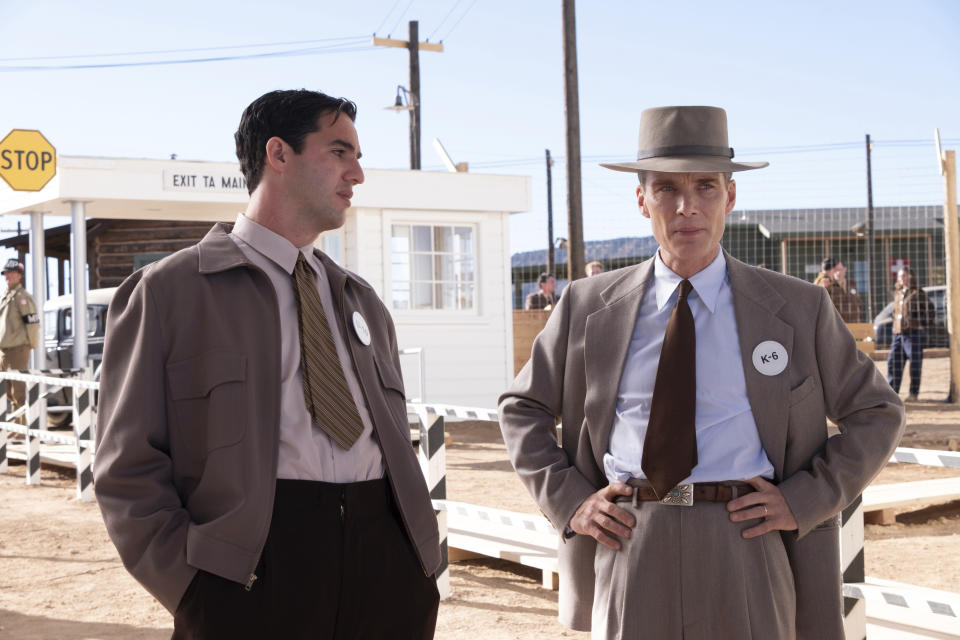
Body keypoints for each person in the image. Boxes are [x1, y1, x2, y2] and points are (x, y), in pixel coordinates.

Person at [498, 106, 904, 639]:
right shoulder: (587, 305)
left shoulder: (797, 308)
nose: (687, 206)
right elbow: (521, 408)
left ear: (730, 198)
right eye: (666, 188)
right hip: (629, 539)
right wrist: (570, 500)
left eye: (706, 187)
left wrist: (804, 498)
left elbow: (877, 412)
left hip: (747, 543)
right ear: (641, 200)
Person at [94, 89, 441, 639]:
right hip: (247, 582)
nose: (358, 173)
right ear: (278, 154)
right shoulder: (167, 293)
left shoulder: (361, 300)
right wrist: (193, 591)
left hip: (388, 573)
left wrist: (417, 567)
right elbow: (126, 468)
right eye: (339, 152)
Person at [0, 259, 40, 419]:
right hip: (4, 350)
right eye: (5, 273)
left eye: (11, 272)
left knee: (18, 391)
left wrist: (31, 344)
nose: (7, 276)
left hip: (17, 349)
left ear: (19, 275)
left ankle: (21, 427)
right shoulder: (6, 295)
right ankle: (14, 425)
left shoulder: (22, 297)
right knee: (7, 391)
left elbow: (32, 323)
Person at [887, 266, 934, 402]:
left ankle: (913, 393)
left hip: (912, 335)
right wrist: (895, 322)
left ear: (910, 277)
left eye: (904, 275)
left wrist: (923, 324)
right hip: (898, 334)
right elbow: (894, 312)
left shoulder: (917, 293)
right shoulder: (898, 293)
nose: (901, 278)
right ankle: (892, 393)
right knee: (893, 361)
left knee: (914, 364)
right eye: (899, 276)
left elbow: (930, 310)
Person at [813, 257, 863, 322]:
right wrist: (824, 287)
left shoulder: (852, 284)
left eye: (840, 269)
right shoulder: (828, 284)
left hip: (855, 322)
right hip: (837, 324)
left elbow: (859, 302)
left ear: (845, 269)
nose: (838, 273)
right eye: (835, 270)